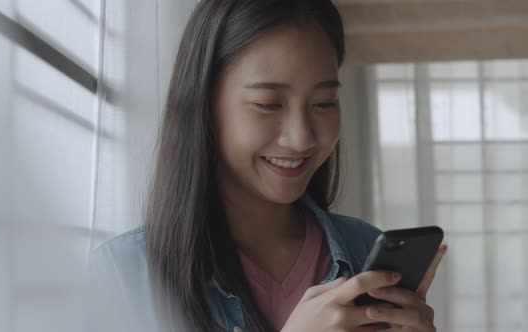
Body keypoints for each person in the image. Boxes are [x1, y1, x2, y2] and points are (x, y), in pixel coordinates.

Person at [89, 0, 448, 331]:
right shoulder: (121, 277)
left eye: (324, 103)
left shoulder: (364, 248)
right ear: (204, 105)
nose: (302, 138)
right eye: (268, 104)